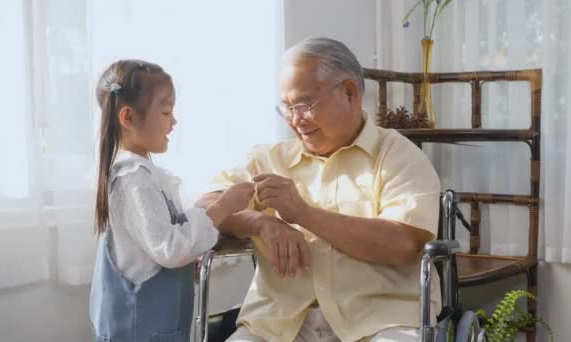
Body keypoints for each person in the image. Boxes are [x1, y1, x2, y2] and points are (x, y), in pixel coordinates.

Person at [198, 37, 442, 342]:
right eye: (286, 108)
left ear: (350, 93)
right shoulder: (269, 159)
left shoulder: (397, 156)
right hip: (280, 324)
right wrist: (261, 222)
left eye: (304, 104)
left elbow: (403, 244)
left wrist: (302, 214)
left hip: (381, 322)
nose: (295, 120)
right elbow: (206, 206)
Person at [89, 59, 254, 341]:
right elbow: (170, 249)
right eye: (166, 111)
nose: (173, 121)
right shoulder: (133, 180)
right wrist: (222, 207)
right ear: (128, 117)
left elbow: (160, 243)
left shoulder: (147, 176)